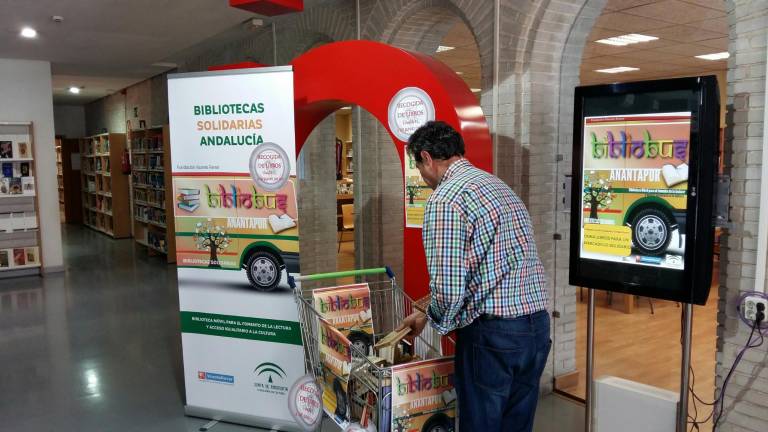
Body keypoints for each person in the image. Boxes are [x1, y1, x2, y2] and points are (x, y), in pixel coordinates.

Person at [398, 121, 550, 432]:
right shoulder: (497, 186)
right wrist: (425, 310)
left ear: (426, 157)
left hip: (493, 336)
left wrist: (431, 318)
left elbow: (451, 290)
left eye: (417, 166)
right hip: (536, 328)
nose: (422, 177)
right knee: (517, 424)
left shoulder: (445, 199)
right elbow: (488, 268)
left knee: (480, 424)